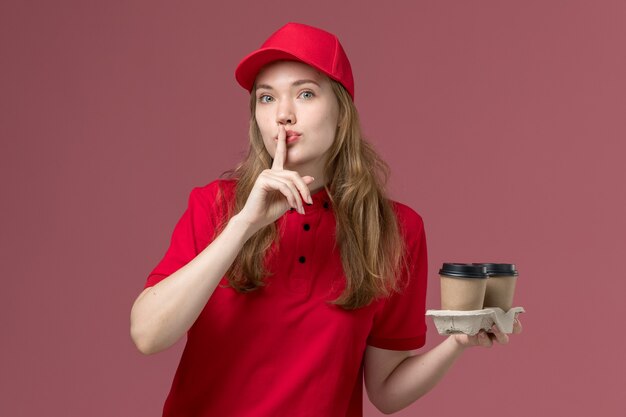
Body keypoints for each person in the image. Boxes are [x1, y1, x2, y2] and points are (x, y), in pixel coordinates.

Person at [130, 22, 522, 417]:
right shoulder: (214, 206)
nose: (283, 114)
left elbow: (386, 391)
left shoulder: (396, 231)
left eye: (304, 94)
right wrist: (244, 223)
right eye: (266, 99)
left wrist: (458, 342)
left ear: (342, 112)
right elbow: (148, 335)